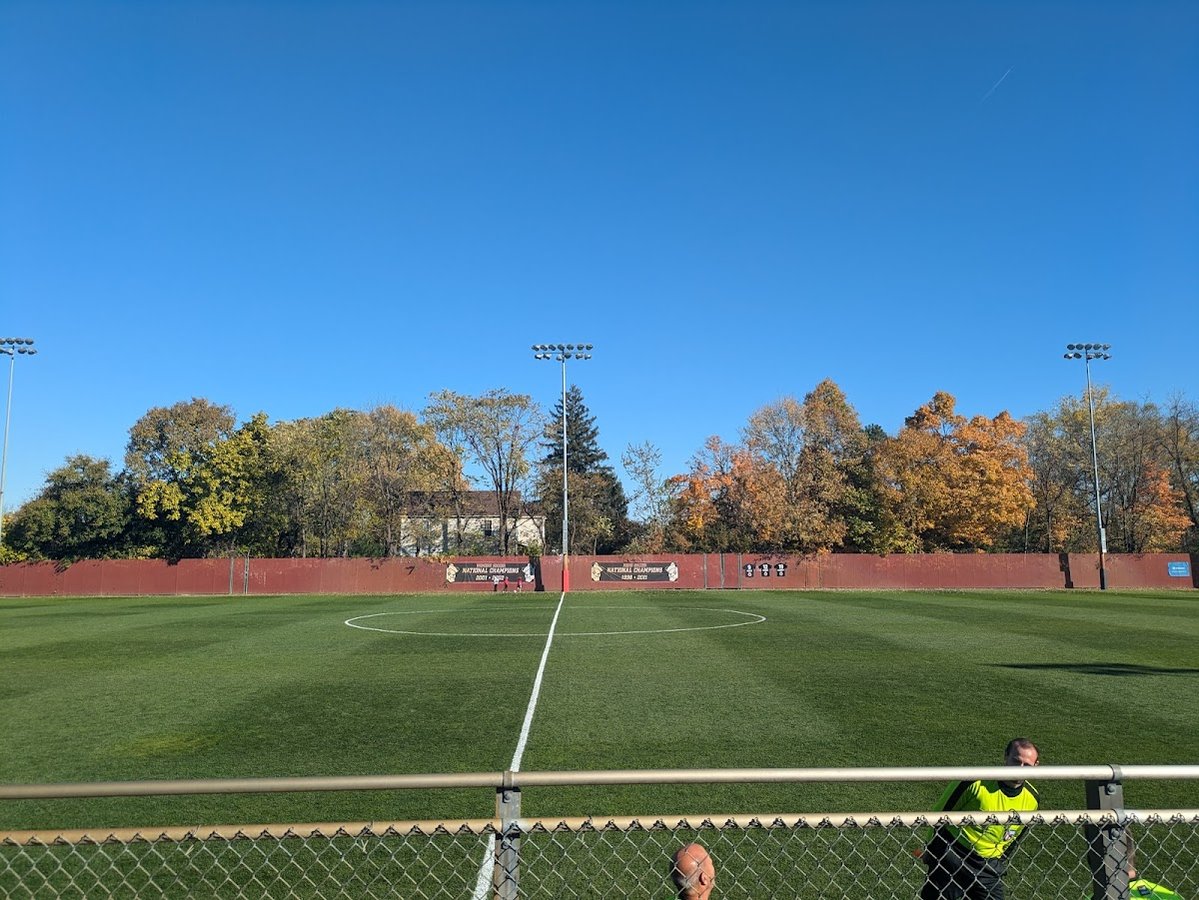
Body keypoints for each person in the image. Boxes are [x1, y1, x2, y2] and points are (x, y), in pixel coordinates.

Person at [920, 738, 1040, 900]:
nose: (1020, 769)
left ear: (1036, 766)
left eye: (1027, 765)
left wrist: (999, 860)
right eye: (1016, 761)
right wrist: (931, 849)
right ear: (1006, 756)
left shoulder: (1032, 799)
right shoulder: (974, 781)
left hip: (987, 866)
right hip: (953, 857)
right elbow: (939, 814)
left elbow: (1016, 837)